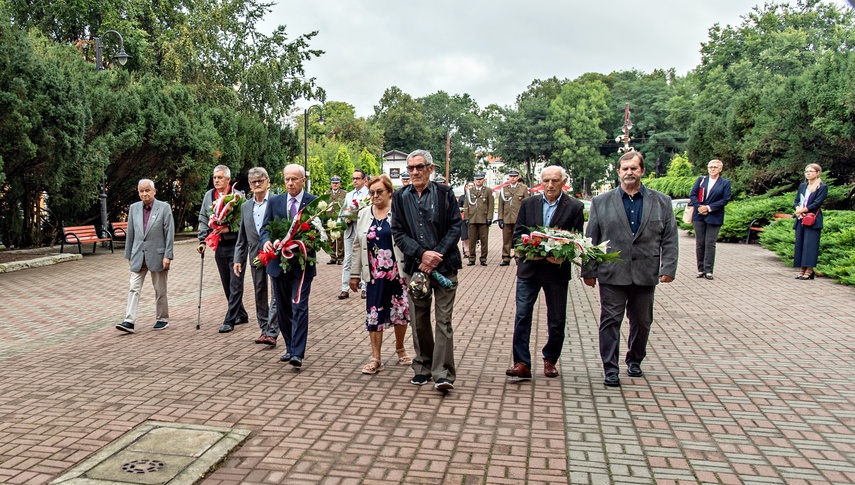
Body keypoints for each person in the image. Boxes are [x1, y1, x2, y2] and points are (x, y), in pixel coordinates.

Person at [582, 151, 678, 388]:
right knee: (610, 321)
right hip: (612, 272)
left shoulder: (661, 202)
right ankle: (610, 368)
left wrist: (668, 267)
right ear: (618, 172)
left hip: (646, 272)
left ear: (642, 171)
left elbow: (670, 239)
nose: (629, 173)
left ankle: (635, 359)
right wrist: (589, 271)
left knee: (642, 322)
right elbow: (591, 238)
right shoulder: (601, 202)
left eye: (634, 168)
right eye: (625, 169)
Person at [391, 149, 463, 392]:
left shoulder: (444, 193)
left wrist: (435, 256)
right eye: (410, 168)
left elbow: (455, 227)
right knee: (419, 320)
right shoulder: (400, 197)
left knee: (443, 321)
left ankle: (442, 373)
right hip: (416, 268)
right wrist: (422, 254)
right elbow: (398, 232)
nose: (414, 172)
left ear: (430, 169)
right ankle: (423, 367)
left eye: (419, 167)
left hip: (445, 267)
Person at [505, 167, 583, 380]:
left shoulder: (575, 206)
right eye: (546, 181)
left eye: (555, 181)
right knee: (522, 314)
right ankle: (521, 362)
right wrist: (527, 249)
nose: (550, 185)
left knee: (556, 318)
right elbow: (518, 233)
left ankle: (550, 359)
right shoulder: (529, 204)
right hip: (530, 268)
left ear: (563, 181)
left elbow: (577, 240)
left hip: (556, 270)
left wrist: (564, 256)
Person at [350, 174, 412, 374]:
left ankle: (400, 348)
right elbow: (358, 244)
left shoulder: (399, 212)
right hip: (374, 274)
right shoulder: (364, 214)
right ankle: (375, 357)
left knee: (400, 313)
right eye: (372, 192)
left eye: (379, 192)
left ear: (389, 192)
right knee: (374, 314)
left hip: (397, 272)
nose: (375, 196)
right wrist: (354, 274)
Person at [259, 164, 317, 367]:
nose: (290, 183)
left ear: (303, 180)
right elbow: (265, 227)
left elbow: (318, 232)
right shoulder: (275, 201)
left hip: (302, 265)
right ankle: (290, 347)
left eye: (294, 179)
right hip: (278, 263)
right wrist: (265, 240)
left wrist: (308, 242)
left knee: (299, 306)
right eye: (287, 179)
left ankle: (298, 353)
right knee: (283, 308)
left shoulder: (314, 203)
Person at [116, 179, 175, 333]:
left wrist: (168, 255)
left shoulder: (164, 208)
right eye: (141, 191)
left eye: (147, 190)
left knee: (159, 289)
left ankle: (162, 319)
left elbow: (169, 233)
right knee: (133, 288)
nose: (144, 194)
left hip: (158, 255)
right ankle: (129, 320)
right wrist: (128, 253)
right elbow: (131, 233)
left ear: (154, 191)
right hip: (137, 255)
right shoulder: (134, 208)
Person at [197, 165, 249, 333]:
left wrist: (230, 229)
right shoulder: (209, 196)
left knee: (236, 282)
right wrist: (202, 240)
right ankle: (241, 313)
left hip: (237, 244)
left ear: (228, 179)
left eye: (220, 177)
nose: (217, 180)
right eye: (214, 177)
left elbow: (245, 220)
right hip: (219, 244)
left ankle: (230, 320)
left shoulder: (238, 196)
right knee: (227, 283)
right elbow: (204, 217)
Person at [233, 167, 279, 347]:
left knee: (276, 293)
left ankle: (272, 331)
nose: (257, 184)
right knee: (259, 290)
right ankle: (264, 328)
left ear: (268, 182)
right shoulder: (245, 206)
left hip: (275, 253)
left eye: (261, 180)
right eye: (253, 182)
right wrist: (238, 259)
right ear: (250, 185)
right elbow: (241, 237)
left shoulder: (277, 201)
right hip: (255, 255)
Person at [689, 159, 732, 280]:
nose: (712, 169)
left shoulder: (725, 183)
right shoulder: (701, 180)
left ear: (720, 169)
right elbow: (693, 194)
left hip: (714, 215)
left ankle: (709, 270)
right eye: (710, 167)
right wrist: (699, 207)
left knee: (710, 243)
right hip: (699, 215)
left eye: (715, 167)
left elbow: (725, 199)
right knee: (700, 243)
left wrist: (708, 207)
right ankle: (700, 269)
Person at [793, 163, 828, 280]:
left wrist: (803, 210)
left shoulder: (822, 187)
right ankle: (802, 268)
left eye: (811, 171)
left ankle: (809, 269)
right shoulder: (802, 186)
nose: (808, 173)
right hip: (801, 218)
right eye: (806, 171)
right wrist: (798, 209)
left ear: (817, 173)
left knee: (810, 245)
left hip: (812, 219)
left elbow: (817, 203)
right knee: (801, 243)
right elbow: (797, 200)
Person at [340, 169, 369, 299]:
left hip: (362, 228)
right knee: (348, 259)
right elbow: (344, 209)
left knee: (364, 258)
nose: (355, 181)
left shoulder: (369, 194)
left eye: (357, 178)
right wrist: (344, 218)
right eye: (353, 178)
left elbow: (368, 210)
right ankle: (344, 288)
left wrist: (354, 216)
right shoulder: (349, 195)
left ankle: (364, 286)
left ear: (364, 180)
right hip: (349, 229)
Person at [496, 169, 530, 267]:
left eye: (514, 176)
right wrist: (500, 218)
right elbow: (500, 205)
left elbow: (526, 204)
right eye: (511, 176)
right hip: (507, 218)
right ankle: (506, 258)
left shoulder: (523, 188)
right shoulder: (504, 189)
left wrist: (526, 218)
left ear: (518, 177)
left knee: (518, 239)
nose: (512, 178)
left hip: (519, 219)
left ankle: (518, 257)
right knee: (506, 239)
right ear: (508, 177)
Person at [463, 173, 494, 266]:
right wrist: (466, 217)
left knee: (484, 240)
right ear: (474, 180)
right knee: (472, 239)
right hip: (472, 218)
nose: (478, 181)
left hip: (483, 218)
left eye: (480, 179)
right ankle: (471, 258)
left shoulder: (487, 191)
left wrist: (489, 217)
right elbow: (466, 206)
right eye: (477, 179)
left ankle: (483, 258)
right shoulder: (470, 191)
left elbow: (491, 205)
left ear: (483, 180)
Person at [326, 176, 347, 265]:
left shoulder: (344, 193)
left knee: (340, 239)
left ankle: (341, 258)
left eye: (337, 183)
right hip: (330, 219)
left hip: (339, 218)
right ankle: (333, 257)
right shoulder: (327, 193)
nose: (335, 184)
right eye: (333, 183)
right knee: (331, 238)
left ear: (339, 184)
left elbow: (346, 205)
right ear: (331, 184)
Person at [458, 182, 474, 258]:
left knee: (472, 235)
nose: (470, 187)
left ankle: (471, 250)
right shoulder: (462, 197)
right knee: (465, 236)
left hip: (473, 218)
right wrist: (463, 209)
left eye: (472, 186)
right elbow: (458, 207)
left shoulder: (475, 197)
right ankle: (466, 250)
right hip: (464, 218)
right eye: (469, 186)